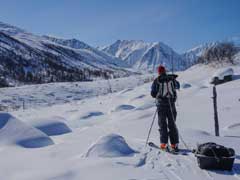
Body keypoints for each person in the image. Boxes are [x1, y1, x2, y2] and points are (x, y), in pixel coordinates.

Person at [151, 65, 180, 152]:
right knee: (172, 125)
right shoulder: (172, 79)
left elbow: (153, 93)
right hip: (171, 105)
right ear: (165, 71)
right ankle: (174, 144)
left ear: (159, 72)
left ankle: (164, 144)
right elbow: (178, 86)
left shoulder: (157, 81)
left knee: (162, 125)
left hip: (161, 105)